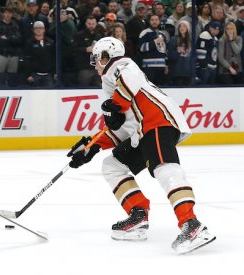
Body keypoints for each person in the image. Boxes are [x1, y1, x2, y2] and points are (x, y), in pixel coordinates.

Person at [67, 37, 216, 254]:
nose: (95, 63)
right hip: (141, 131)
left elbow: (127, 83)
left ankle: (192, 224)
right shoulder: (112, 86)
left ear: (107, 56)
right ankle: (138, 215)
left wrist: (115, 107)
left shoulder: (123, 66)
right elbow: (121, 127)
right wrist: (91, 147)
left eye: (97, 58)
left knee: (164, 168)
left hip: (157, 122)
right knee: (112, 165)